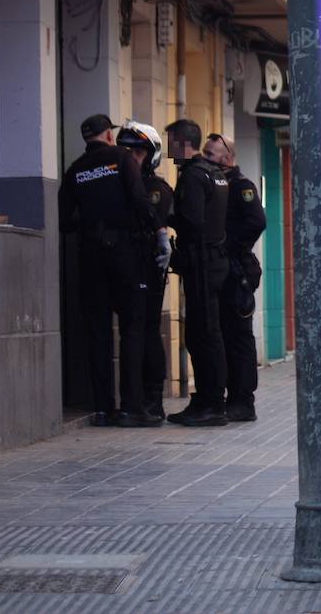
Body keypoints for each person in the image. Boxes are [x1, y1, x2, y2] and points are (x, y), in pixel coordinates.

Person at [59, 114, 170, 427]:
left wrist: (92, 223)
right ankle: (132, 408)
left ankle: (103, 408)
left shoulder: (75, 169)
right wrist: (159, 232)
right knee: (133, 328)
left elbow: (64, 221)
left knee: (98, 332)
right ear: (109, 136)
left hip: (89, 256)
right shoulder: (122, 159)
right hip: (124, 254)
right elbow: (138, 200)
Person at [164, 118, 231, 427]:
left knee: (202, 335)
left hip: (202, 263)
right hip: (215, 260)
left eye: (171, 143)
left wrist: (165, 217)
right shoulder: (215, 174)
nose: (168, 150)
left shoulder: (193, 176)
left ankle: (210, 403)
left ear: (183, 143)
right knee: (210, 333)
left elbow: (191, 221)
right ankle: (209, 400)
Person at [202, 132, 266, 423]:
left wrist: (227, 245)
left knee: (239, 337)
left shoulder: (241, 186)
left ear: (227, 158)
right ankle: (230, 396)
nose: (206, 157)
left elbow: (257, 221)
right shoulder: (213, 184)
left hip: (237, 271)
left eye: (211, 153)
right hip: (220, 269)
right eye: (204, 152)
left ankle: (243, 400)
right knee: (223, 335)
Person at [117, 120, 173, 421]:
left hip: (148, 267)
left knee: (148, 330)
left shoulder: (156, 189)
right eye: (126, 151)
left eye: (138, 152)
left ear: (151, 155)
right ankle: (134, 400)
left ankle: (153, 399)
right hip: (125, 267)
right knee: (132, 332)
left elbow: (153, 219)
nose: (131, 157)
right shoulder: (124, 185)